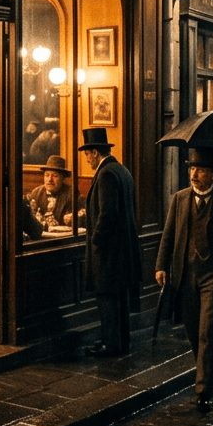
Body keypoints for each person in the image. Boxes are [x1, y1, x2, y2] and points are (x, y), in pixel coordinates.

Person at [154, 147, 213, 411]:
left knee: (207, 332)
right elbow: (168, 235)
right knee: (191, 329)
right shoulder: (180, 199)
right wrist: (161, 266)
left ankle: (203, 390)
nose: (194, 174)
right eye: (191, 169)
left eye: (200, 170)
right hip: (185, 275)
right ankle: (207, 368)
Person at [79, 128, 142, 357]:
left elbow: (108, 213)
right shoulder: (121, 170)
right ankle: (120, 342)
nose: (86, 158)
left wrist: (96, 240)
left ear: (95, 152)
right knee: (120, 299)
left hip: (108, 251)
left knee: (107, 298)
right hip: (123, 249)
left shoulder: (105, 174)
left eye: (87, 153)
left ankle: (110, 344)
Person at [27, 155, 83, 229]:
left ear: (63, 178)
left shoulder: (72, 194)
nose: (50, 179)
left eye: (55, 176)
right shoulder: (36, 193)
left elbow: (79, 221)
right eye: (47, 175)